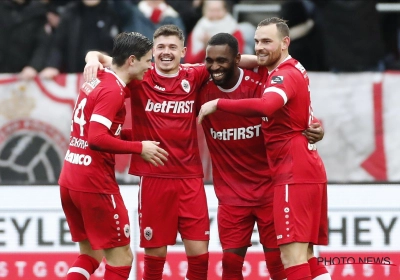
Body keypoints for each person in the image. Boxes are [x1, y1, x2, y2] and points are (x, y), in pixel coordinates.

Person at [198, 18, 331, 280]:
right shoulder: (285, 69)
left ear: (285, 43)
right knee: (305, 257)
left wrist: (219, 105)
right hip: (298, 170)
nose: (259, 47)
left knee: (290, 260)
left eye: (267, 41)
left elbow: (267, 105)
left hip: (290, 175)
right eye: (257, 41)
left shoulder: (281, 75)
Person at [84, 25, 211, 280]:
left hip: (190, 178)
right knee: (155, 259)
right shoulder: (141, 77)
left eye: (173, 47)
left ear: (184, 51)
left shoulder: (194, 76)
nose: (166, 52)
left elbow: (231, 61)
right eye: (161, 47)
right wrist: (90, 57)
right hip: (154, 179)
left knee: (199, 256)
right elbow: (104, 58)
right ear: (152, 52)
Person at [59, 32, 168, 280]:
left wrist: (92, 57)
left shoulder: (98, 75)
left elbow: (102, 130)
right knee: (122, 258)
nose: (150, 66)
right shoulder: (113, 91)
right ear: (132, 60)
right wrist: (140, 147)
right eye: (148, 60)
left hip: (70, 177)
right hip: (93, 183)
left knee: (91, 255)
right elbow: (96, 138)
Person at [40, 0, 120, 79]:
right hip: (74, 75)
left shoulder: (115, 12)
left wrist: (108, 56)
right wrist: (52, 65)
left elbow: (122, 46)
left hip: (107, 74)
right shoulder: (70, 12)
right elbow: (58, 44)